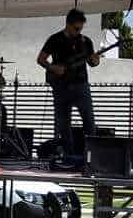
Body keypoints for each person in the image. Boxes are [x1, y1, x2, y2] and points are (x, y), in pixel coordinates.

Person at [37, 9, 102, 161]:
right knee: (63, 123)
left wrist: (95, 60)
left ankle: (92, 157)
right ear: (68, 24)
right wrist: (53, 68)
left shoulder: (86, 42)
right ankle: (69, 156)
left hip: (81, 85)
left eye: (80, 28)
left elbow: (93, 63)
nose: (78, 31)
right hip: (61, 87)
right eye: (76, 28)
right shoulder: (55, 39)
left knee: (89, 121)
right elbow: (41, 59)